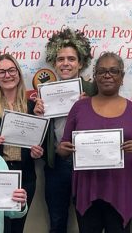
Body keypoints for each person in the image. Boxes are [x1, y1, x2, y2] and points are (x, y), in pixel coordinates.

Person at [57, 52, 132, 233]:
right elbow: (62, 147)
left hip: (121, 189)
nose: (107, 75)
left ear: (122, 77)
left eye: (114, 71)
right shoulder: (79, 107)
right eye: (101, 71)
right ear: (95, 76)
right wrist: (64, 149)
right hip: (87, 188)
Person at [33, 28, 96, 233]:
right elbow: (38, 137)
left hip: (87, 165)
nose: (65, 63)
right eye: (61, 59)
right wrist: (38, 116)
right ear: (54, 62)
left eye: (71, 59)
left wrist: (91, 107)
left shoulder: (94, 90)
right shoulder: (45, 93)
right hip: (57, 165)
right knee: (57, 220)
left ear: (81, 62)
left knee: (88, 222)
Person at [0, 54, 43, 233]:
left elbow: (39, 142)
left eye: (12, 70)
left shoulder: (32, 107)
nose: (8, 75)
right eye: (2, 72)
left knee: (17, 228)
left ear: (19, 74)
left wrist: (37, 152)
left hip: (25, 176)